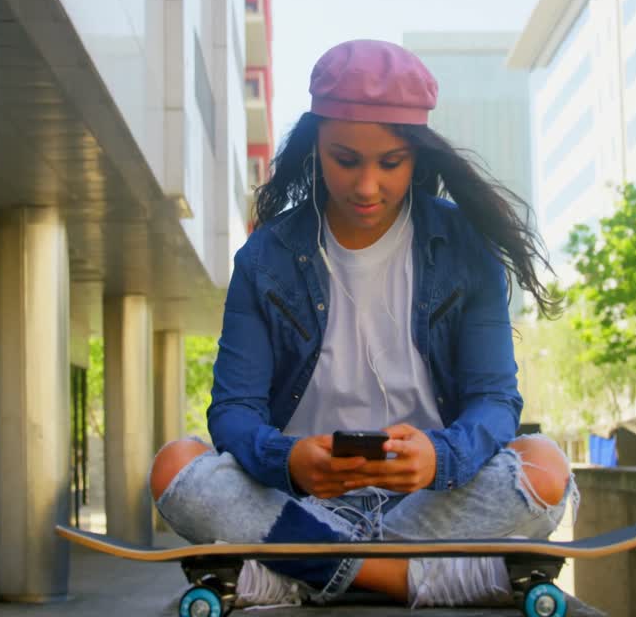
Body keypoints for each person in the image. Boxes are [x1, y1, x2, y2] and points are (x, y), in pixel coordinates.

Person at [147, 40, 577, 609]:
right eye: (345, 160)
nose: (367, 186)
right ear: (315, 149)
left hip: (427, 504)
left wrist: (440, 456)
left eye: (390, 163)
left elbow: (495, 401)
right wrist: (289, 461)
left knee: (545, 467)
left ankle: (295, 572)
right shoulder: (264, 259)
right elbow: (233, 411)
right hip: (300, 503)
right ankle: (421, 579)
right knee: (174, 466)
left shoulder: (467, 249)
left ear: (418, 156)